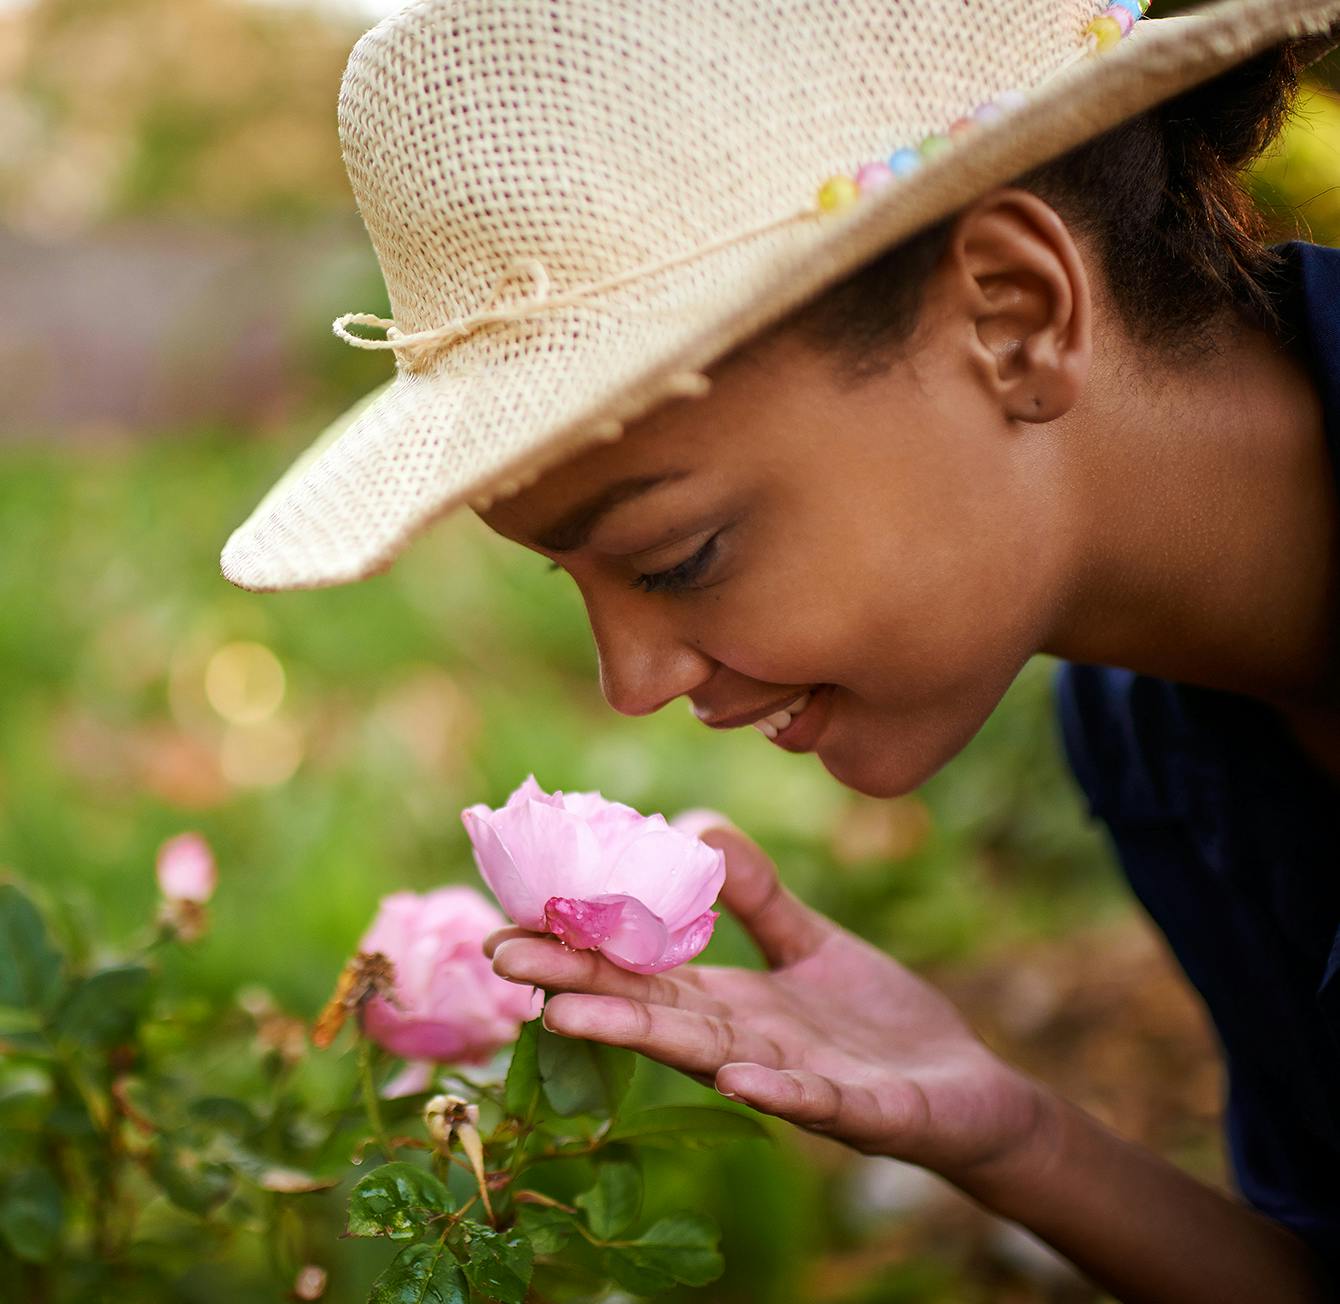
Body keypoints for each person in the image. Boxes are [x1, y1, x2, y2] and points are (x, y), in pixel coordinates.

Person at [219, 0, 1340, 1298]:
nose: (634, 685)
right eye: (574, 584)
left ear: (1016, 312)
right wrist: (1020, 1139)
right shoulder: (1151, 736)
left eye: (680, 557)